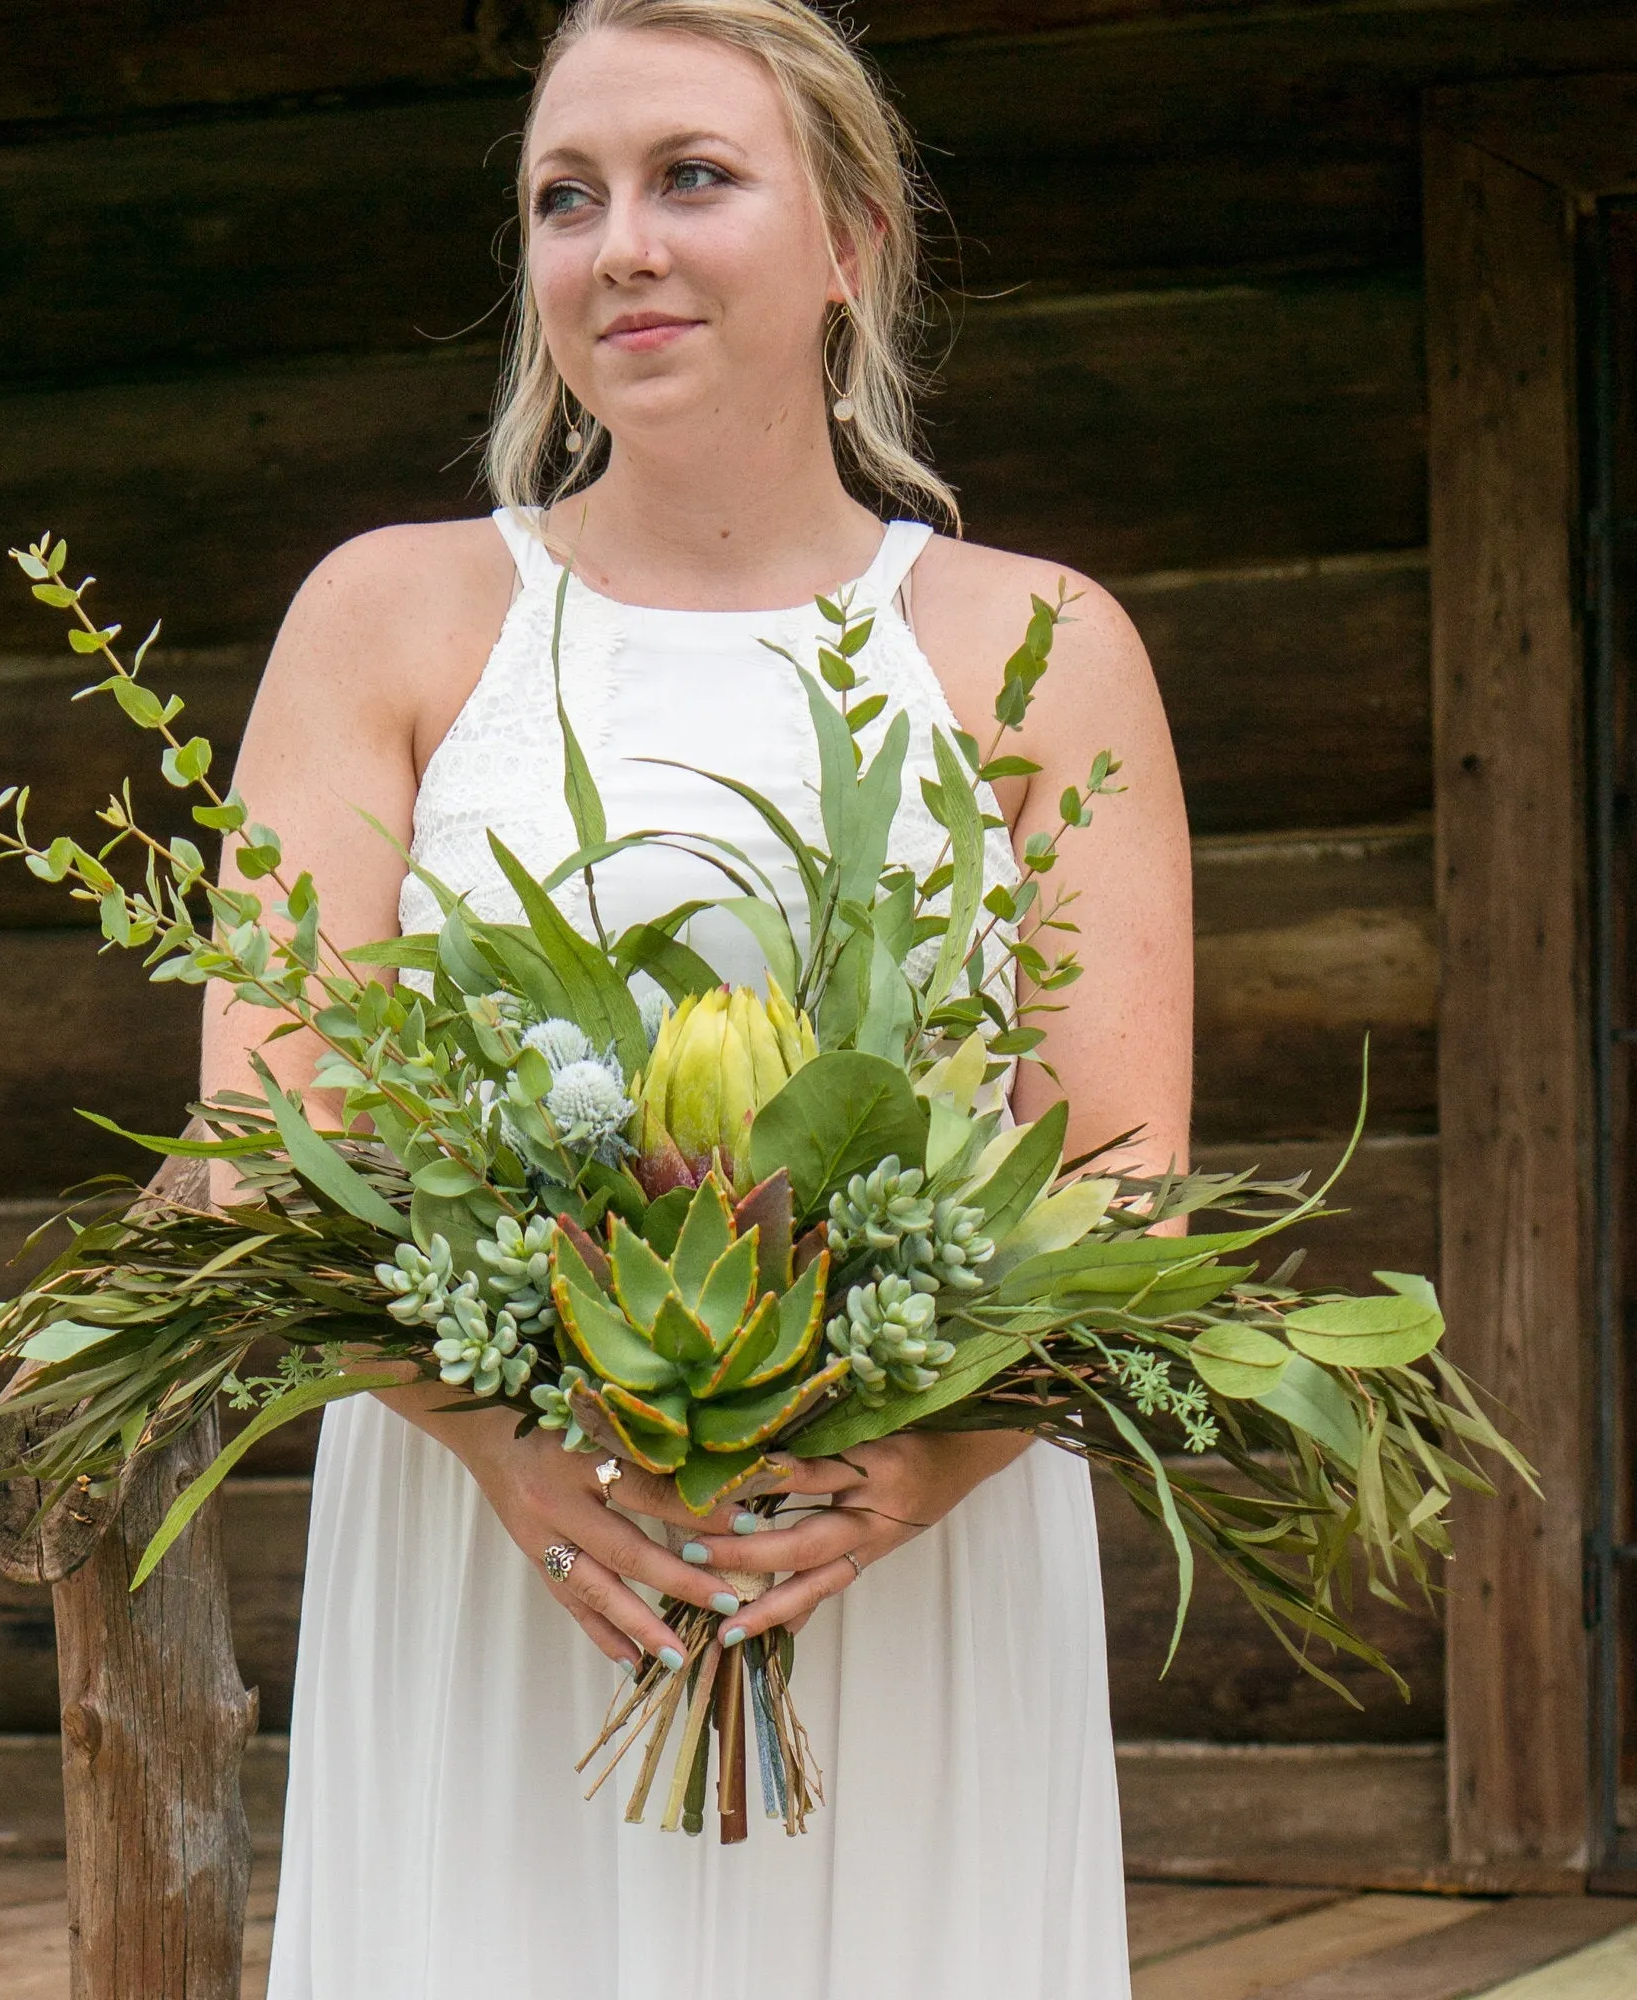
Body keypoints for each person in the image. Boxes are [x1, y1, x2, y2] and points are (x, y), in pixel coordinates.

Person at [215, 3, 1191, 1992]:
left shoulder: (1040, 648)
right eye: (563, 200)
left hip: (905, 1555)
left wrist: (915, 1463)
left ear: (850, 237)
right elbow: (262, 1133)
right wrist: (506, 1450)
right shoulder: (393, 618)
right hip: (503, 1559)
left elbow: (1120, 1177)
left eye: (691, 179)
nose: (617, 247)